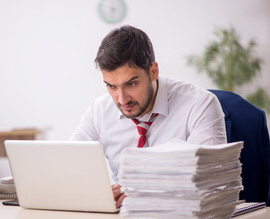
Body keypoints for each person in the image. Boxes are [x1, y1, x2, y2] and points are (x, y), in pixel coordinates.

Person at [70, 25, 227, 208]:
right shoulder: (99, 110)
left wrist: (145, 192)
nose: (122, 99)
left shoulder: (200, 105)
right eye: (111, 86)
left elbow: (211, 183)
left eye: (132, 84)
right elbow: (70, 165)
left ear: (153, 71)